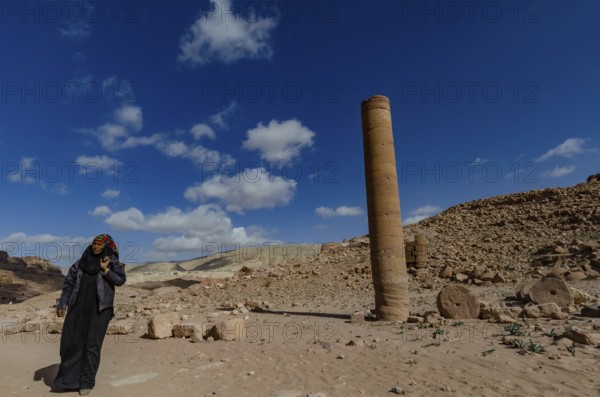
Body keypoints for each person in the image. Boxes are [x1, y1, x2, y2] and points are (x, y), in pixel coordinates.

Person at [53, 234, 126, 395]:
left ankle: (86, 382)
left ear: (106, 247)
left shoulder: (112, 262)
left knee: (91, 346)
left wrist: (106, 270)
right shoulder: (80, 263)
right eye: (94, 244)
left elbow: (120, 280)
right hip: (77, 309)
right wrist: (62, 303)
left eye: (100, 245)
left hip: (100, 310)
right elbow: (69, 284)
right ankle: (68, 380)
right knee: (70, 343)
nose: (96, 247)